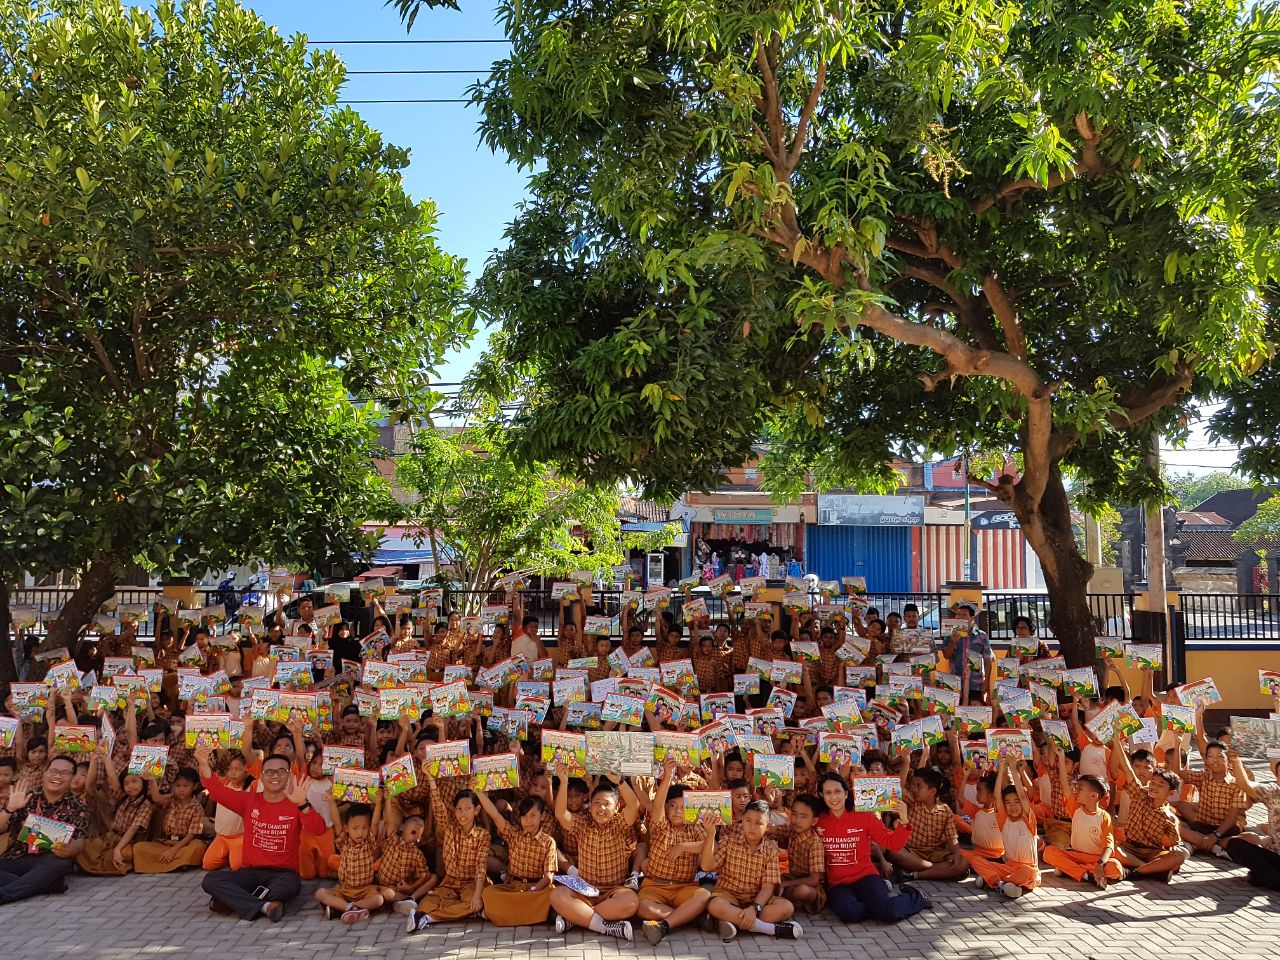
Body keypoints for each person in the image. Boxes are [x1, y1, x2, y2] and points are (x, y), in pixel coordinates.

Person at [194, 743, 325, 922]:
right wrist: (203, 763)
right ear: (262, 777)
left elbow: (319, 829)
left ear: (289, 776)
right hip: (250, 872)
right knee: (211, 880)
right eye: (269, 772)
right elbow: (217, 792)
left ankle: (233, 902)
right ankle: (265, 906)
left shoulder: (297, 803)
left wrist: (303, 805)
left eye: (281, 771)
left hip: (283, 874)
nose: (275, 776)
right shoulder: (249, 801)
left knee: (290, 887)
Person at [815, 772, 927, 923]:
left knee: (888, 915)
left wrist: (904, 819)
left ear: (846, 793)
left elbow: (893, 843)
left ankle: (913, 897)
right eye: (828, 793)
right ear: (822, 795)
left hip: (866, 877)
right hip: (838, 884)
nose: (834, 797)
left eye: (837, 791)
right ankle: (880, 905)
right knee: (850, 914)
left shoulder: (864, 816)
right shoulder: (817, 820)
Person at [549, 769, 640, 941]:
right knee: (556, 895)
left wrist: (620, 781)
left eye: (607, 804)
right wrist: (563, 781)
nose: (601, 808)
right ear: (590, 806)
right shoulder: (583, 824)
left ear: (617, 807)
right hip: (584, 890)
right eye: (597, 803)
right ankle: (605, 927)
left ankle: (576, 919)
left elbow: (634, 805)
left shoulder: (619, 825)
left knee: (631, 902)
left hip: (614, 891)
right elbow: (561, 814)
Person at [700, 799, 802, 942]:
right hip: (728, 897)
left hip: (755, 900)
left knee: (786, 907)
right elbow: (706, 866)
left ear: (767, 827)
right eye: (748, 820)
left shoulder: (770, 852)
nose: (752, 826)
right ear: (742, 822)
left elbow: (767, 887)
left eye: (758, 823)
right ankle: (769, 929)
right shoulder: (729, 842)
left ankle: (730, 921)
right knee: (715, 905)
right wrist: (710, 834)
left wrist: (754, 908)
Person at [635, 758, 712, 945]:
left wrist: (684, 846)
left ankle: (664, 925)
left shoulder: (695, 827)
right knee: (642, 908)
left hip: (684, 887)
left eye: (684, 808)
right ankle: (691, 918)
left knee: (704, 895)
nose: (677, 811)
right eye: (673, 806)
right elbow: (658, 804)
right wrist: (668, 776)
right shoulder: (660, 826)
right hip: (654, 887)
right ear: (666, 807)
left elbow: (711, 846)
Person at [404, 770, 491, 931]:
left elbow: (481, 867)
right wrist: (431, 778)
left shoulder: (482, 835)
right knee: (426, 902)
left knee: (473, 903)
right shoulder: (450, 829)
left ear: (476, 810)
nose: (462, 813)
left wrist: (477, 895)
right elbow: (438, 807)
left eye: (467, 808)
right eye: (458, 809)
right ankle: (441, 912)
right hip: (450, 882)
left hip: (471, 884)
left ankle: (429, 918)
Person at [0, 756, 90, 904]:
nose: (58, 776)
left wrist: (71, 849)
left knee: (61, 863)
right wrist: (9, 809)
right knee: (46, 877)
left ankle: (5, 895)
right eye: (54, 771)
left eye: (64, 773)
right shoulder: (26, 796)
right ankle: (46, 885)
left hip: (47, 861)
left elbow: (80, 841)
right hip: (16, 858)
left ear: (72, 777)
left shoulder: (78, 807)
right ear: (45, 773)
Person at [473, 790, 556, 926]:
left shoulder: (549, 842)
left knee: (552, 893)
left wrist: (533, 889)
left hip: (536, 889)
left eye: (533, 815)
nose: (528, 820)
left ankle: (501, 914)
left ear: (543, 816)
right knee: (489, 893)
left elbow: (548, 877)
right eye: (524, 816)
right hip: (513, 887)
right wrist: (479, 792)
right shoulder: (513, 835)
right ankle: (532, 915)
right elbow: (495, 815)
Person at [1041, 768, 1124, 889]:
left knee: (1116, 868)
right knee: (1049, 853)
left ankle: (1069, 869)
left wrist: (1100, 864)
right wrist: (1061, 758)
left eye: (1080, 789)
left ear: (1093, 795)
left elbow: (1109, 845)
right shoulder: (1076, 809)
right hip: (1075, 855)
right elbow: (1065, 787)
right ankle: (1086, 875)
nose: (1075, 790)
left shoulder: (1104, 817)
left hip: (1095, 859)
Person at [315, 797, 394, 924]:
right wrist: (331, 802)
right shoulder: (344, 843)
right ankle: (350, 908)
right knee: (320, 893)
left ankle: (344, 908)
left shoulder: (369, 843)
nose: (360, 833)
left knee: (379, 899)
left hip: (365, 890)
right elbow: (337, 823)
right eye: (355, 828)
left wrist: (378, 803)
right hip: (345, 889)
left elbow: (374, 824)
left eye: (364, 828)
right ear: (347, 829)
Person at [1168, 738, 1247, 857]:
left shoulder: (1237, 784)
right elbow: (1177, 772)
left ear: (1228, 760)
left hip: (1225, 830)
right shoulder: (1204, 777)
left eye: (1220, 756)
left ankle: (1200, 843)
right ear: (1206, 759)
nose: (1215, 760)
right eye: (1210, 756)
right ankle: (1213, 846)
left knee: (1251, 839)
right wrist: (1177, 743)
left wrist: (1216, 835)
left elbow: (1232, 818)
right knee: (1172, 824)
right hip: (1203, 826)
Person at [1224, 751, 1280, 889]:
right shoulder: (1273, 792)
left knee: (1257, 876)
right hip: (1274, 855)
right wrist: (1236, 761)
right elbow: (1245, 785)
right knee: (1235, 845)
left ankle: (1266, 878)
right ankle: (1270, 878)